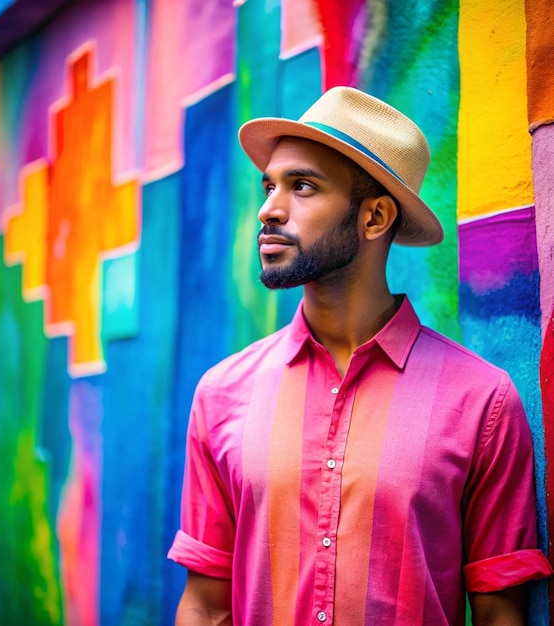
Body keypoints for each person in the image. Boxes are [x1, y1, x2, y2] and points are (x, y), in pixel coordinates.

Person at [167, 86, 553, 625]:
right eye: (269, 185)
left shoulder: (481, 403)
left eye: (302, 187)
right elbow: (205, 607)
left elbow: (499, 615)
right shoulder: (222, 393)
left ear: (374, 218)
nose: (268, 210)